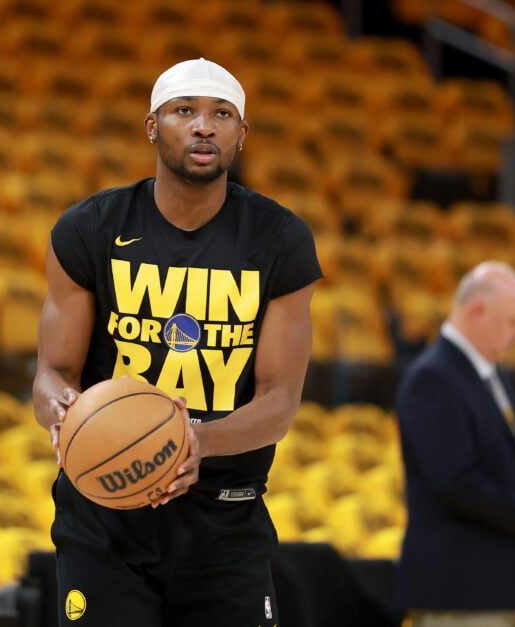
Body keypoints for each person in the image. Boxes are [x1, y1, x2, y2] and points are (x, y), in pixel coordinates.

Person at [31, 57, 322, 626]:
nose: (203, 126)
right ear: (151, 126)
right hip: (105, 516)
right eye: (184, 111)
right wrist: (61, 410)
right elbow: (52, 371)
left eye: (222, 114)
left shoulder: (280, 238)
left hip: (226, 517)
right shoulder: (90, 228)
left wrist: (194, 443)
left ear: (242, 135)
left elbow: (279, 403)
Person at [394, 260, 515, 627]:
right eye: (514, 322)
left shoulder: (487, 372)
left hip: (507, 590)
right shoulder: (433, 378)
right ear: (478, 311)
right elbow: (453, 481)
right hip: (463, 596)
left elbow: (506, 467)